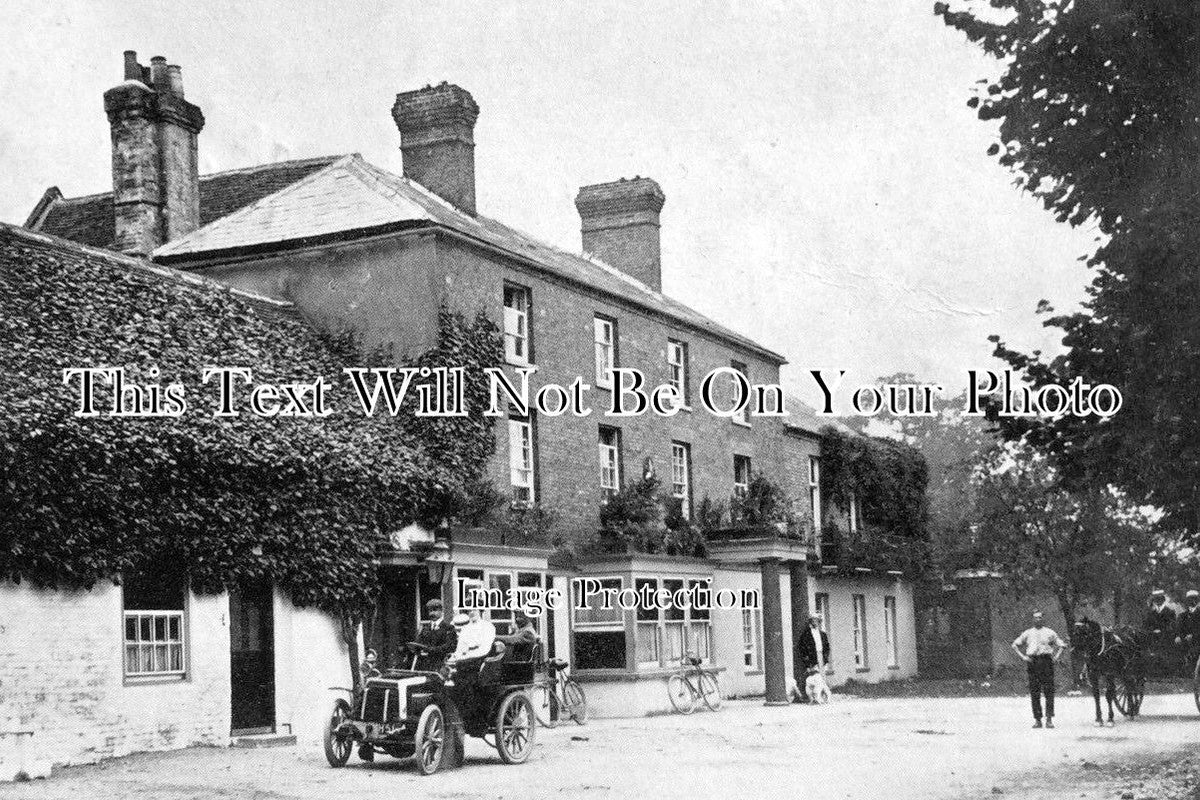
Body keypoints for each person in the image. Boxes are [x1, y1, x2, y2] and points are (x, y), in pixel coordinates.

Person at [1011, 611, 1067, 729]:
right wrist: (1023, 657)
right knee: (1034, 691)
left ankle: (1049, 719)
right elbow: (1015, 644)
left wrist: (1056, 657)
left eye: (1040, 618)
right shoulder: (1028, 633)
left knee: (1049, 691)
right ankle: (1037, 720)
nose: (1038, 620)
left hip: (1046, 662)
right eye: (1035, 618)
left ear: (1043, 619)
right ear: (1033, 619)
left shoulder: (1049, 632)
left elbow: (1061, 644)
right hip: (1033, 662)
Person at [409, 598, 457, 672]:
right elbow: (418, 642)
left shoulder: (448, 628)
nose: (432, 613)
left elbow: (450, 646)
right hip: (425, 664)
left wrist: (431, 650)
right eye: (430, 611)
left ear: (441, 611)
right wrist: (414, 647)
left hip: (441, 663)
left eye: (435, 610)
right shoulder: (425, 628)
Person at [796, 613, 831, 704]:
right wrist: (807, 662)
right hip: (812, 658)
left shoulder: (823, 634)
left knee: (822, 678)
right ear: (810, 621)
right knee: (811, 679)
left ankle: (823, 697)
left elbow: (827, 647)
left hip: (821, 657)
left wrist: (825, 658)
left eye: (817, 620)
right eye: (813, 620)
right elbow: (802, 648)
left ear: (819, 622)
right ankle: (811, 698)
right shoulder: (806, 634)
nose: (815, 622)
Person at [1143, 589, 1177, 676]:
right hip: (1152, 640)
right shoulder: (1150, 613)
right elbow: (1146, 627)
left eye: (1159, 599)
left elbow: (1172, 627)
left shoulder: (1170, 612)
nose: (1157, 601)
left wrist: (1161, 631)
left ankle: (1165, 673)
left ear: (1163, 600)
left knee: (1164, 656)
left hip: (1165, 640)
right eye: (1156, 599)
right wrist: (1152, 631)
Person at [1175, 590, 1200, 673]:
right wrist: (1179, 636)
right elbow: (1179, 628)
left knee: (1195, 651)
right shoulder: (1183, 615)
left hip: (1197, 641)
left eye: (1194, 599)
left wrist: (1193, 635)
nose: (1192, 601)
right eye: (1190, 599)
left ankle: (1191, 669)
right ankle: (1181, 669)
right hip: (1185, 640)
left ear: (1197, 600)